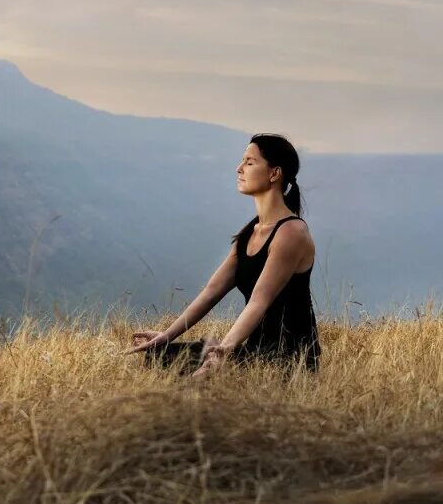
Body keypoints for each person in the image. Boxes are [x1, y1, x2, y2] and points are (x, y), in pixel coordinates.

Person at [121, 133, 321, 380]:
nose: (239, 169)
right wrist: (166, 336)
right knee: (159, 355)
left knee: (193, 377)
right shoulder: (251, 232)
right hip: (252, 349)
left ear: (274, 174)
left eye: (249, 162)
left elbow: (260, 300)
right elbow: (211, 292)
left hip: (286, 359)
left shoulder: (291, 232)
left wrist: (222, 352)